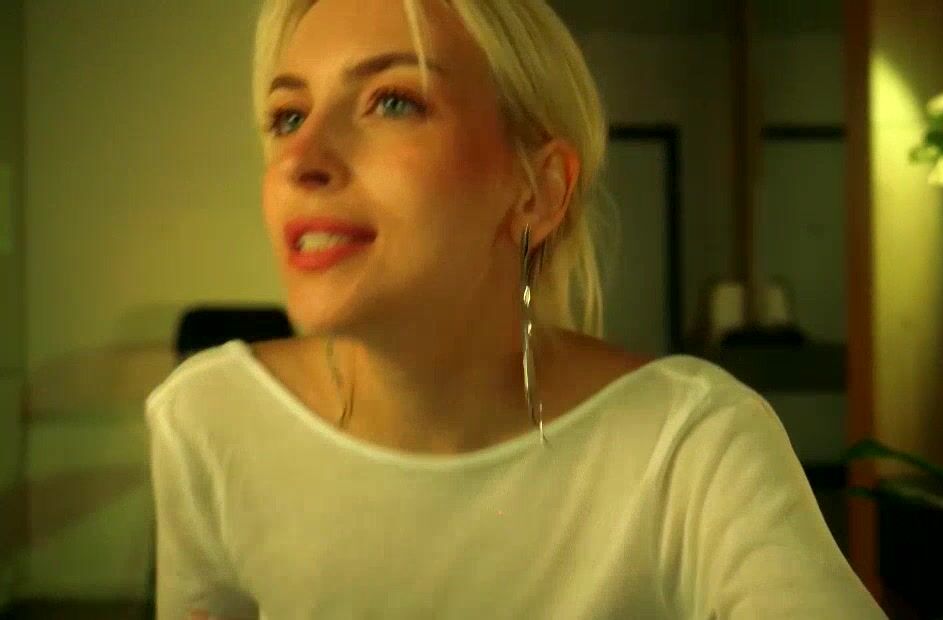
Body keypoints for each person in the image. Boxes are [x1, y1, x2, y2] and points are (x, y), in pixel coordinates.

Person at [145, 0, 888, 618]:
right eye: (286, 116)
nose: (300, 160)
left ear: (537, 191)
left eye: (393, 101)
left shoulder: (691, 444)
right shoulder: (207, 421)